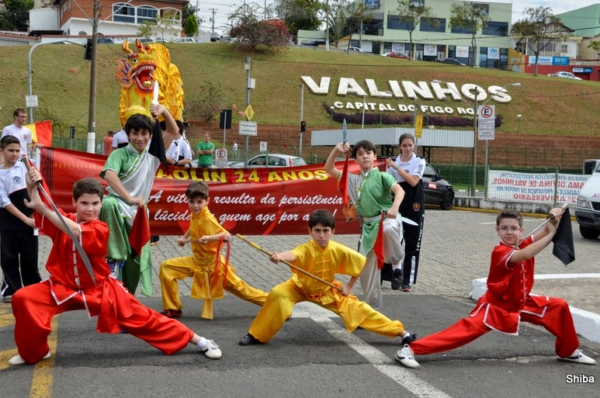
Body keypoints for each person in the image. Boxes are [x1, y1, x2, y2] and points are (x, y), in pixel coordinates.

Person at [7, 174, 221, 366]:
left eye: (95, 203)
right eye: (84, 203)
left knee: (144, 318)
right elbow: (46, 206)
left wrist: (42, 207)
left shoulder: (100, 228)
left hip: (99, 290)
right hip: (62, 287)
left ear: (102, 203)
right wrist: (31, 183)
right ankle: (34, 352)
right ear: (74, 202)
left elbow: (69, 227)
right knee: (23, 297)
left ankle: (201, 341)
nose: (90, 209)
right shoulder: (66, 218)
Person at [396, 208, 596, 369]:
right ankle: (410, 350)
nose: (509, 232)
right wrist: (552, 233)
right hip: (495, 307)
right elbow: (526, 254)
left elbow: (543, 231)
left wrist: (553, 217)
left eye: (514, 228)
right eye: (504, 228)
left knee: (558, 306)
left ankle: (568, 351)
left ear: (521, 230)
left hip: (519, 303)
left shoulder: (521, 244)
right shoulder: (500, 252)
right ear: (497, 231)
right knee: (460, 333)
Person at [238, 210, 419, 366]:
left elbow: (360, 263)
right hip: (298, 288)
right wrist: (279, 256)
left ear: (333, 232)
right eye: (317, 231)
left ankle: (402, 333)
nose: (321, 235)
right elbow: (292, 255)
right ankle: (256, 335)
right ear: (310, 231)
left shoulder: (338, 249)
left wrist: (348, 287)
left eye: (325, 231)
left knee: (359, 309)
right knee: (278, 294)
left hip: (326, 291)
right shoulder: (306, 248)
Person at [99, 104, 180, 296]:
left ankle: (127, 300)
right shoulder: (118, 154)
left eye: (145, 133)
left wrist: (163, 111)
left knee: (134, 263)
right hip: (118, 208)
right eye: (135, 133)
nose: (140, 138)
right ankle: (113, 258)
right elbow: (109, 175)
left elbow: (173, 131)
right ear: (128, 135)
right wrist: (128, 198)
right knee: (108, 202)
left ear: (151, 135)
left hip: (139, 214)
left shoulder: (153, 155)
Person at [159, 181, 267, 319]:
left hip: (214, 266)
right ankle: (173, 308)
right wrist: (184, 238)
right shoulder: (195, 214)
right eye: (192, 201)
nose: (195, 205)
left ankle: (275, 302)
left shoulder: (208, 218)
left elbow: (226, 235)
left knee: (243, 290)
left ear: (207, 201)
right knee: (167, 268)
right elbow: (192, 226)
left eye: (199, 202)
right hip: (198, 262)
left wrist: (209, 237)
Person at [325, 140, 405, 310]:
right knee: (365, 271)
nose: (365, 156)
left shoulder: (383, 176)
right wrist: (336, 149)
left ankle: (396, 265)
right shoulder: (353, 180)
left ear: (375, 156)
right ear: (355, 159)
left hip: (387, 219)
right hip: (368, 229)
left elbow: (400, 190)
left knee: (389, 229)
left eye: (368, 153)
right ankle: (370, 308)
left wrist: (394, 207)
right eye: (360, 154)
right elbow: (329, 169)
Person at [0, 136, 41, 303]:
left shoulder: (26, 166)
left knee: (30, 256)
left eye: (17, 151)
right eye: (10, 150)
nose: (14, 154)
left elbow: (34, 190)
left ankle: (33, 287)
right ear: (1, 151)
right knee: (9, 257)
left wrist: (33, 180)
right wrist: (25, 219)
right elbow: (4, 202)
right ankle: (12, 288)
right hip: (9, 222)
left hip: (30, 220)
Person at [383, 133, 426, 292]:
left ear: (414, 145)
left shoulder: (419, 161)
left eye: (410, 145)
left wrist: (397, 167)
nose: (408, 148)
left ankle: (407, 280)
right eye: (405, 145)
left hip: (414, 206)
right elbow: (389, 183)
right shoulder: (393, 163)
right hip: (397, 205)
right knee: (392, 241)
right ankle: (390, 275)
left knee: (412, 245)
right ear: (399, 146)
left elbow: (413, 181)